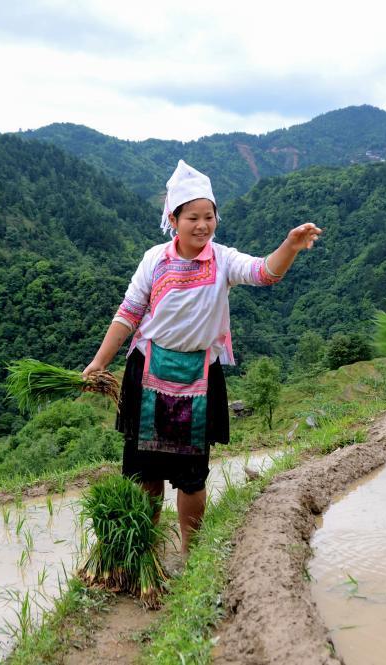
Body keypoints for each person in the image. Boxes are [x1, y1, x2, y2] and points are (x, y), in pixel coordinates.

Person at [83, 160, 321, 556]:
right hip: (147, 371)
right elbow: (128, 312)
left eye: (209, 216)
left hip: (198, 377)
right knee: (145, 472)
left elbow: (264, 272)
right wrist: (99, 362)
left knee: (192, 476)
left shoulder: (223, 260)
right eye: (192, 217)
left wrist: (290, 247)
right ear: (173, 219)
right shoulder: (154, 259)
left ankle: (191, 555)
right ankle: (146, 550)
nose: (202, 225)